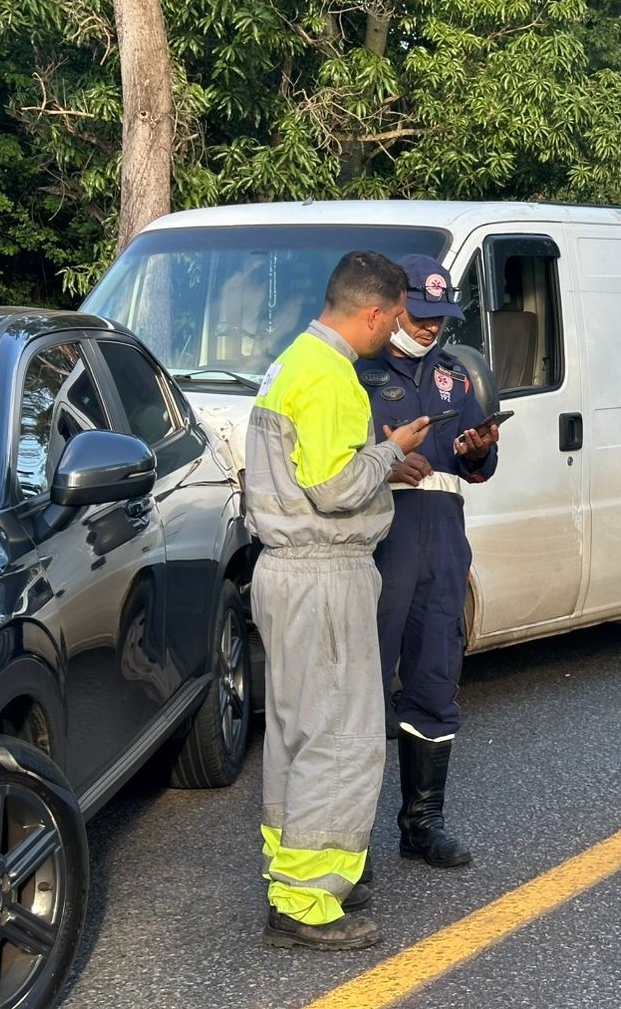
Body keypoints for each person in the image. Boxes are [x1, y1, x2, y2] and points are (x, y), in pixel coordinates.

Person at [243, 251, 433, 952]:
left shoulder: (292, 360)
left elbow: (306, 473)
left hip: (286, 570)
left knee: (298, 731)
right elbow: (333, 488)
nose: (395, 335)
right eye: (395, 321)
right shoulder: (333, 379)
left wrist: (376, 460)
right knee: (340, 738)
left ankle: (294, 872)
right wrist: (390, 453)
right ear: (375, 312)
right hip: (323, 571)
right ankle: (307, 901)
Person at [355, 255, 500, 870]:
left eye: (440, 319)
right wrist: (386, 459)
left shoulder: (453, 377)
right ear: (391, 306)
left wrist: (479, 450)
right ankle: (343, 838)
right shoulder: (355, 373)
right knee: (362, 691)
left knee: (435, 683)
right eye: (419, 316)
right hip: (383, 542)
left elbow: (479, 467)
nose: (429, 329)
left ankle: (422, 822)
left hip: (442, 543)